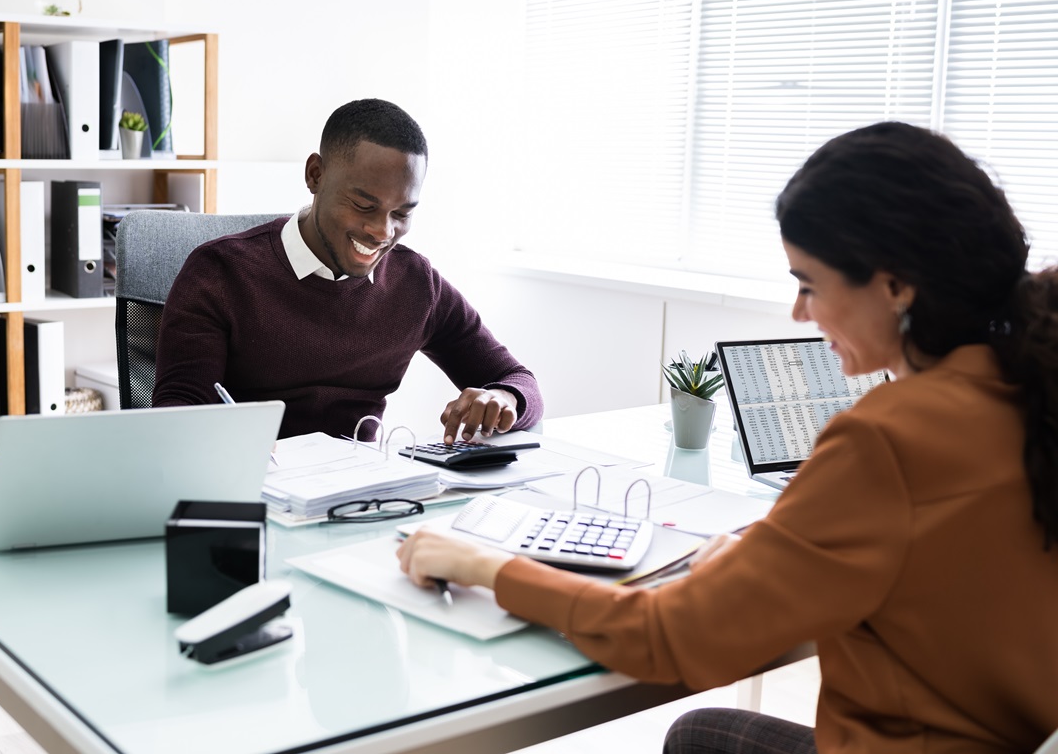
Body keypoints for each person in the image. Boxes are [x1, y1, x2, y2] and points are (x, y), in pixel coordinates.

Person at [398, 121, 1058, 753]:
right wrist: (769, 562)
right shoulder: (1031, 378)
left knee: (698, 733)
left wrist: (487, 566)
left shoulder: (890, 437)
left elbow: (673, 640)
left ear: (894, 285)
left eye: (808, 285)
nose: (799, 312)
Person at [152, 98, 542, 442]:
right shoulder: (220, 273)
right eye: (364, 206)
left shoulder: (416, 285)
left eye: (402, 213)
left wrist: (502, 399)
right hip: (251, 492)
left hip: (363, 499)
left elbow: (520, 382)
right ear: (315, 175)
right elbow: (177, 417)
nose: (383, 232)